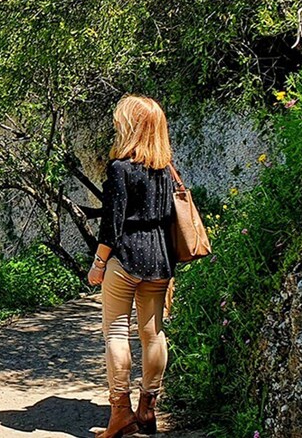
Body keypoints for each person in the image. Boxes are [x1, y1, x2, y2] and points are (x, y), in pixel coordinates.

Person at [88, 94, 176, 438]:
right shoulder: (165, 169)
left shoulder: (120, 168)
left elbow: (112, 223)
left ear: (131, 127)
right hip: (160, 259)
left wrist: (98, 263)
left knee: (115, 331)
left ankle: (120, 412)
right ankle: (148, 409)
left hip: (125, 258)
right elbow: (169, 218)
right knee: (153, 334)